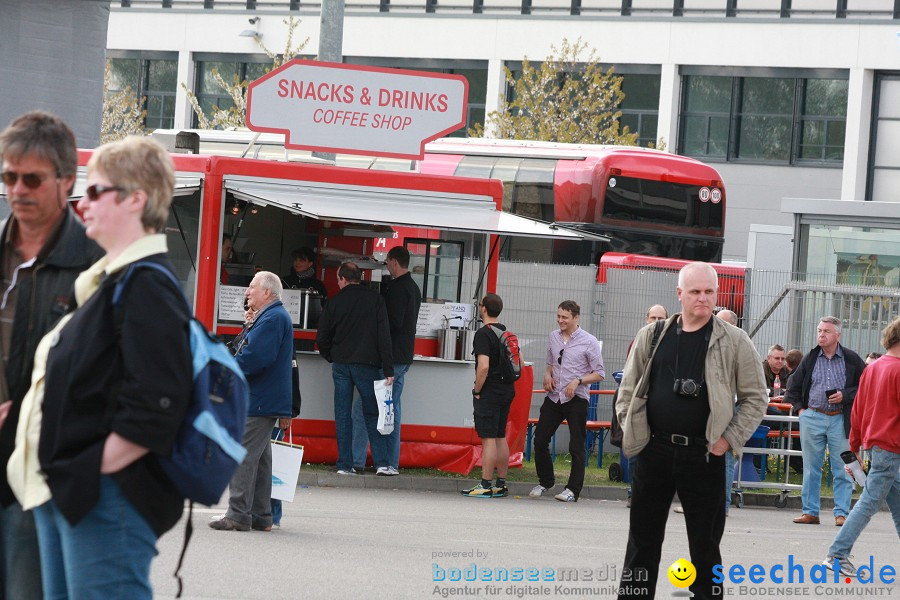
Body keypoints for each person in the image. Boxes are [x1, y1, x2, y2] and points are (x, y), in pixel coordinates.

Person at [30, 136, 192, 598]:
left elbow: (157, 405)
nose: (82, 203)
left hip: (108, 499)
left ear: (135, 199)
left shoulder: (148, 287)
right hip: (77, 494)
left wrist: (86, 471)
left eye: (96, 190)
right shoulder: (114, 281)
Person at [615, 262, 767, 600]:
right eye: (695, 292)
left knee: (705, 548)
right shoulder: (652, 335)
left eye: (709, 291)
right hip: (653, 452)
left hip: (706, 455)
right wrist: (635, 434)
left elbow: (757, 399)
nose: (703, 298)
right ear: (680, 294)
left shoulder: (735, 341)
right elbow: (626, 392)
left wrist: (727, 440)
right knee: (642, 544)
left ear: (717, 294)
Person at [0, 110, 103, 600]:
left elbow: (106, 377)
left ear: (66, 182)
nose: (17, 189)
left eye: (32, 178)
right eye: (8, 176)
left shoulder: (96, 264)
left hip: (39, 475)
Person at [210, 271, 293, 532]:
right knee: (261, 459)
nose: (247, 291)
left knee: (243, 456)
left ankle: (237, 514)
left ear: (267, 292)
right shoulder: (270, 317)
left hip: (259, 399)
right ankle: (261, 515)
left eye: (252, 287)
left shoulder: (272, 319)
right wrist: (249, 325)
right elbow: (250, 349)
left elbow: (254, 358)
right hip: (265, 398)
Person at [823, 317, 900, 577]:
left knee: (896, 503)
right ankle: (837, 554)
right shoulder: (898, 370)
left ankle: (838, 554)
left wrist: (854, 446)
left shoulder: (874, 368)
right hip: (892, 446)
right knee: (869, 502)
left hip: (876, 445)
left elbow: (858, 410)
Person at [786, 316, 866, 527]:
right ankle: (810, 512)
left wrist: (845, 395)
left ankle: (841, 513)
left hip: (840, 418)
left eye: (826, 331)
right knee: (811, 467)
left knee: (842, 467)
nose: (821, 334)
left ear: (837, 335)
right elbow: (792, 385)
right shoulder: (810, 358)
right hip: (813, 416)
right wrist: (801, 410)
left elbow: (865, 387)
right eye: (819, 330)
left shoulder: (851, 359)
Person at [316, 262, 393, 475]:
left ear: (342, 279)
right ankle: (382, 464)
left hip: (341, 365)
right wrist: (388, 369)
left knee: (342, 415)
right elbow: (384, 337)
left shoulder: (333, 302)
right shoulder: (376, 300)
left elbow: (321, 338)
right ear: (359, 277)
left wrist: (331, 356)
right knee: (372, 413)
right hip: (367, 364)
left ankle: (344, 465)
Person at [352, 246, 421, 475]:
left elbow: (392, 323)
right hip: (404, 357)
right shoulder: (413, 287)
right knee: (392, 410)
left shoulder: (397, 289)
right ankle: (391, 462)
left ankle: (358, 460)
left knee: (365, 407)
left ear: (392, 261)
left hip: (390, 358)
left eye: (387, 262)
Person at [529, 300, 604, 502]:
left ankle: (573, 489)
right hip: (555, 396)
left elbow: (599, 373)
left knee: (576, 445)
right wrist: (547, 374)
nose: (560, 320)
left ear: (576, 318)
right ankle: (546, 481)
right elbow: (551, 363)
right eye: (559, 316)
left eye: (565, 317)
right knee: (541, 439)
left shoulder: (589, 341)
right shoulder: (553, 337)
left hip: (576, 398)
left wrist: (578, 381)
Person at [461, 293, 517, 498]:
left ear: (483, 308)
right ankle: (500, 484)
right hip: (508, 389)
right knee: (500, 435)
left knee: (488, 438)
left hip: (490, 389)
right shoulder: (506, 332)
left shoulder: (483, 334)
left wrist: (477, 390)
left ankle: (485, 484)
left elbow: (483, 367)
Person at [625, 304, 668, 507]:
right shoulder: (639, 341)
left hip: (664, 408)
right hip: (641, 404)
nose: (657, 321)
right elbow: (630, 375)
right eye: (653, 317)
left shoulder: (673, 342)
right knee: (638, 451)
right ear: (646, 319)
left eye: (661, 317)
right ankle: (635, 492)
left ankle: (657, 494)